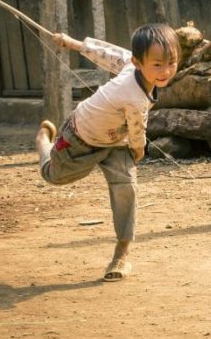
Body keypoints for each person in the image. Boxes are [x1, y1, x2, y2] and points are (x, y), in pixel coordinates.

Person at [36, 24, 180, 280]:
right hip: (81, 137)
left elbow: (106, 53)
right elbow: (138, 131)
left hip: (116, 143)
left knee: (126, 187)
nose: (165, 71)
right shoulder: (134, 96)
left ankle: (121, 254)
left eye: (171, 62)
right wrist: (138, 151)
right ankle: (43, 141)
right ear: (137, 62)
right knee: (53, 176)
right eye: (157, 64)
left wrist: (73, 43)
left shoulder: (131, 64)